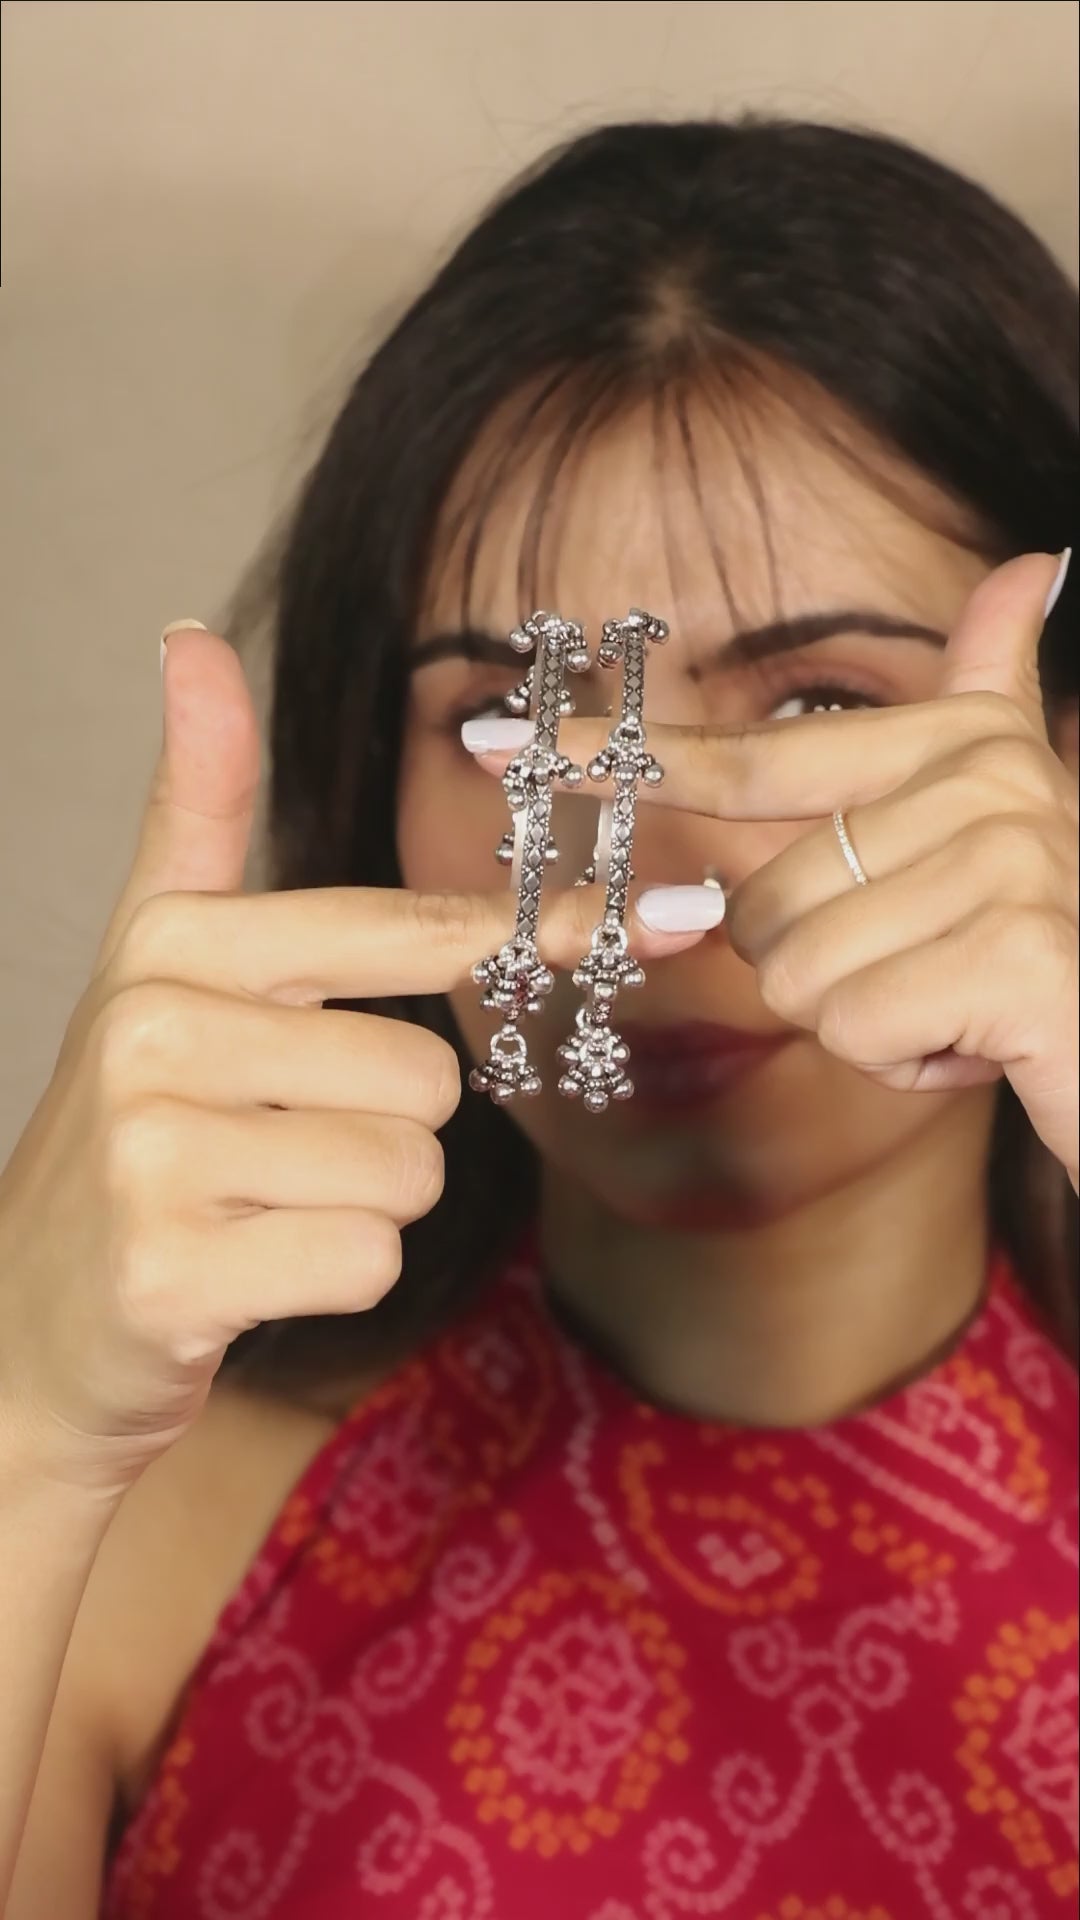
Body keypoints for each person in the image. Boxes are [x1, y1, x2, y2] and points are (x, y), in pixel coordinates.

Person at [1, 116, 1077, 1920]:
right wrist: (22, 1426)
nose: (636, 875)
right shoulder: (123, 1552)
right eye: (520, 737)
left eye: (817, 710)